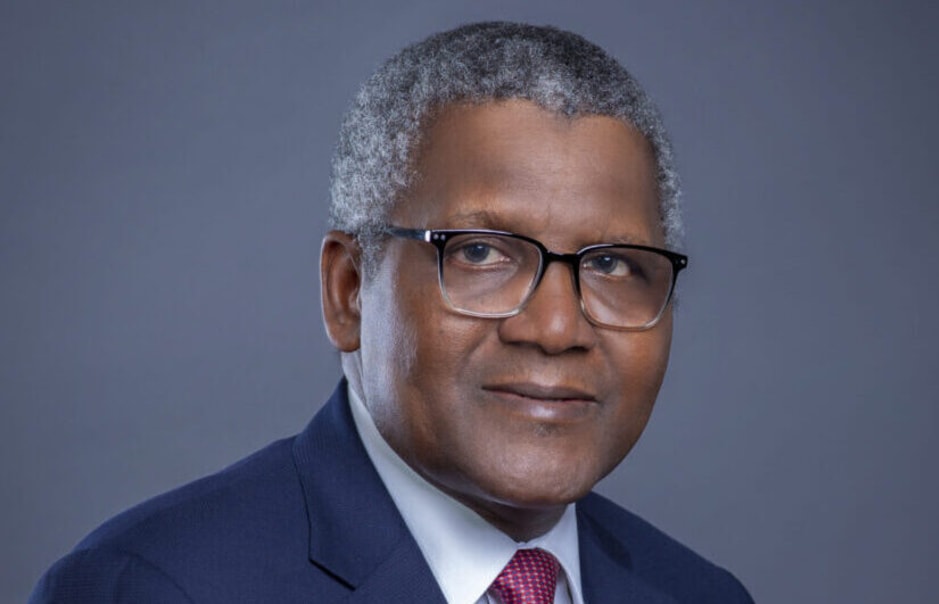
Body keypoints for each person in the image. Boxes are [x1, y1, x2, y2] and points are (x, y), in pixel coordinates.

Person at [31, 22, 754, 603]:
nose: (558, 328)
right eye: (480, 253)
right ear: (348, 290)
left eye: (611, 264)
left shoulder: (699, 594)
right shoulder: (153, 587)